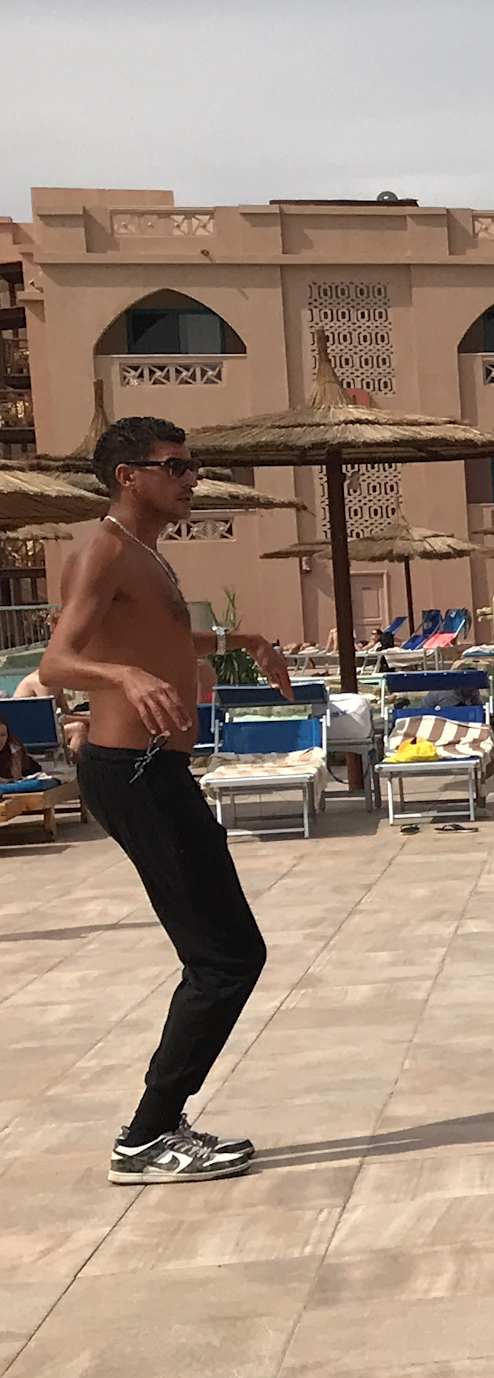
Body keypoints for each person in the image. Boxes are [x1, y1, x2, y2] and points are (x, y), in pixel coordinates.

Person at [37, 416, 293, 1183]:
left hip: (155, 771)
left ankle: (158, 1128)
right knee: (224, 958)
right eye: (176, 467)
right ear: (129, 476)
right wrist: (123, 678)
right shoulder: (105, 550)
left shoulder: (146, 555)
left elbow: (156, 640)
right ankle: (146, 1137)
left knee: (228, 954)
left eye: (191, 466)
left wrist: (242, 642)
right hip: (134, 771)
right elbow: (58, 663)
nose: (191, 479)